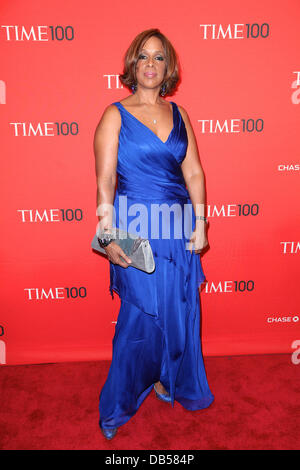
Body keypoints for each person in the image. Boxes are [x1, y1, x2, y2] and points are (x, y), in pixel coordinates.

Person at [93, 28, 214, 440]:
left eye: (159, 57)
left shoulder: (180, 115)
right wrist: (108, 237)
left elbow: (194, 171)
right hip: (136, 229)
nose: (150, 64)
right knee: (138, 318)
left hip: (178, 228)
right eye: (143, 56)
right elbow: (105, 180)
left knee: (179, 311)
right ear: (132, 64)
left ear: (168, 68)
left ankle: (168, 378)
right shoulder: (114, 114)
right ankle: (120, 400)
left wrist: (200, 222)